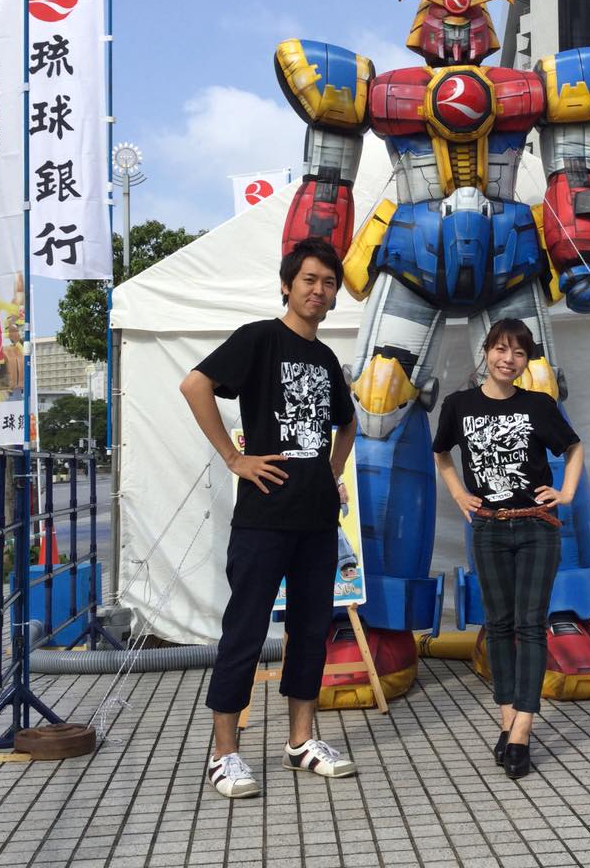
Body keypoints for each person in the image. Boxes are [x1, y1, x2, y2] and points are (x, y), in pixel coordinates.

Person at [180, 237, 358, 799]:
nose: (318, 290)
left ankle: (301, 741)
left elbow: (347, 423)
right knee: (246, 630)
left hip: (317, 520)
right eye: (309, 279)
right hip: (262, 518)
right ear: (287, 285)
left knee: (310, 631)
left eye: (328, 283)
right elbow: (195, 384)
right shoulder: (259, 338)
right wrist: (234, 459)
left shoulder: (326, 360)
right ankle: (224, 753)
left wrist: (331, 471)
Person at [432, 318, 583, 780]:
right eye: (501, 349)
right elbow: (441, 454)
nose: (508, 359)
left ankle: (521, 731)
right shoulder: (458, 405)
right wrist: (459, 494)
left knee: (530, 625)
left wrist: (566, 492)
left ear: (526, 360)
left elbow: (574, 448)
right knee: (497, 626)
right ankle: (507, 720)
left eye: (518, 353)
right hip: (489, 528)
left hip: (537, 527)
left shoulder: (538, 405)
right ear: (486, 351)